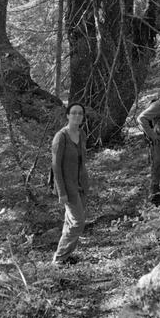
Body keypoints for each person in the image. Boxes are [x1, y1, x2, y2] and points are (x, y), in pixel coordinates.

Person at [51, 103, 91, 264]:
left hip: (81, 185)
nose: (77, 115)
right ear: (67, 115)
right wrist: (61, 192)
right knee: (77, 223)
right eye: (73, 113)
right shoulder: (61, 136)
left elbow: (82, 161)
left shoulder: (81, 134)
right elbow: (56, 166)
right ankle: (59, 258)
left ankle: (66, 256)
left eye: (80, 113)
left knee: (70, 222)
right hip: (68, 188)